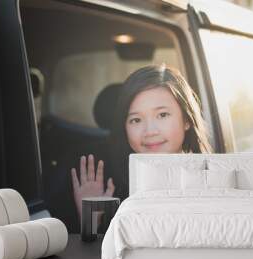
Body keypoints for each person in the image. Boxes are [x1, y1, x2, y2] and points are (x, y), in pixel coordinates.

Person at [71, 64, 212, 219]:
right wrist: (92, 219)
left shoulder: (209, 182)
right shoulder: (114, 186)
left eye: (162, 115)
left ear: (186, 119)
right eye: (136, 119)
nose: (150, 131)